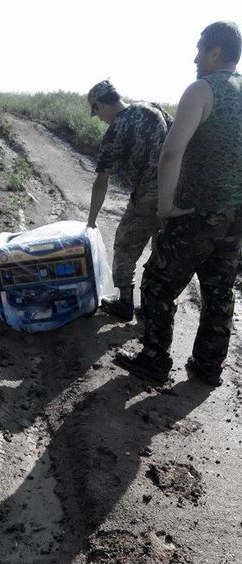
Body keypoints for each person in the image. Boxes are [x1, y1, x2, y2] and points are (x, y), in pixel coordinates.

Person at [116, 21, 242, 387]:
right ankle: (207, 368)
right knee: (219, 290)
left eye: (200, 49)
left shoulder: (203, 89)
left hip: (197, 211)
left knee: (157, 281)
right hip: (235, 215)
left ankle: (155, 359)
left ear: (215, 52)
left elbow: (171, 153)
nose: (195, 57)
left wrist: (166, 207)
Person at [87, 80, 173, 320]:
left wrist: (91, 222)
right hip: (176, 188)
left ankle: (125, 303)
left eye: (96, 111)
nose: (98, 118)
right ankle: (153, 308)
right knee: (161, 250)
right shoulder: (152, 107)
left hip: (149, 192)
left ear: (101, 104)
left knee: (125, 244)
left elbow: (101, 181)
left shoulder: (116, 129)